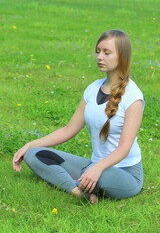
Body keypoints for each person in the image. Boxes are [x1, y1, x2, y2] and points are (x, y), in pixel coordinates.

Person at [13, 29, 145, 204]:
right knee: (34, 154)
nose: (99, 57)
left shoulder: (133, 97)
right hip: (92, 166)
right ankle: (77, 190)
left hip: (124, 172)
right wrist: (29, 145)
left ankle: (83, 182)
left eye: (107, 53)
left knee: (102, 177)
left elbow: (125, 147)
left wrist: (97, 168)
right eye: (98, 51)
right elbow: (69, 130)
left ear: (122, 56)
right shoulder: (92, 89)